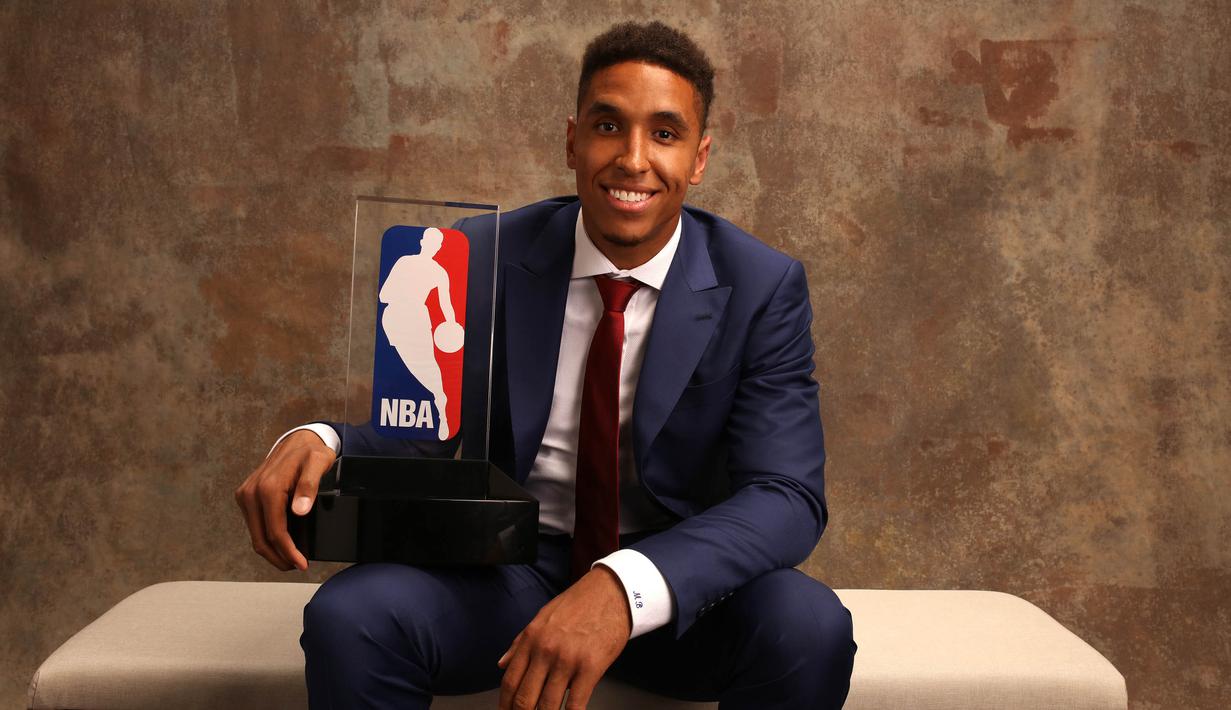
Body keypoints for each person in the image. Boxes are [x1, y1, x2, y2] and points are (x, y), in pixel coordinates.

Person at [235, 21, 856, 710]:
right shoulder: (473, 256)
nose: (632, 158)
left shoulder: (760, 284)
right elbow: (423, 432)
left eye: (664, 133)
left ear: (699, 158)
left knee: (809, 626)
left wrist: (624, 585)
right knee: (349, 615)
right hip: (507, 572)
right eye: (608, 125)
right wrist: (321, 440)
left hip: (678, 592)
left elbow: (785, 495)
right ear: (571, 139)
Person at [379, 227, 462, 440]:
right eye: (432, 242)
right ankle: (432, 404)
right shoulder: (405, 262)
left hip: (414, 318)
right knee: (402, 368)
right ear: (423, 242)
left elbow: (447, 305)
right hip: (396, 318)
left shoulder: (438, 272)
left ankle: (441, 410)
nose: (434, 246)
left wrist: (451, 324)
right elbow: (383, 295)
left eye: (437, 244)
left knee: (429, 368)